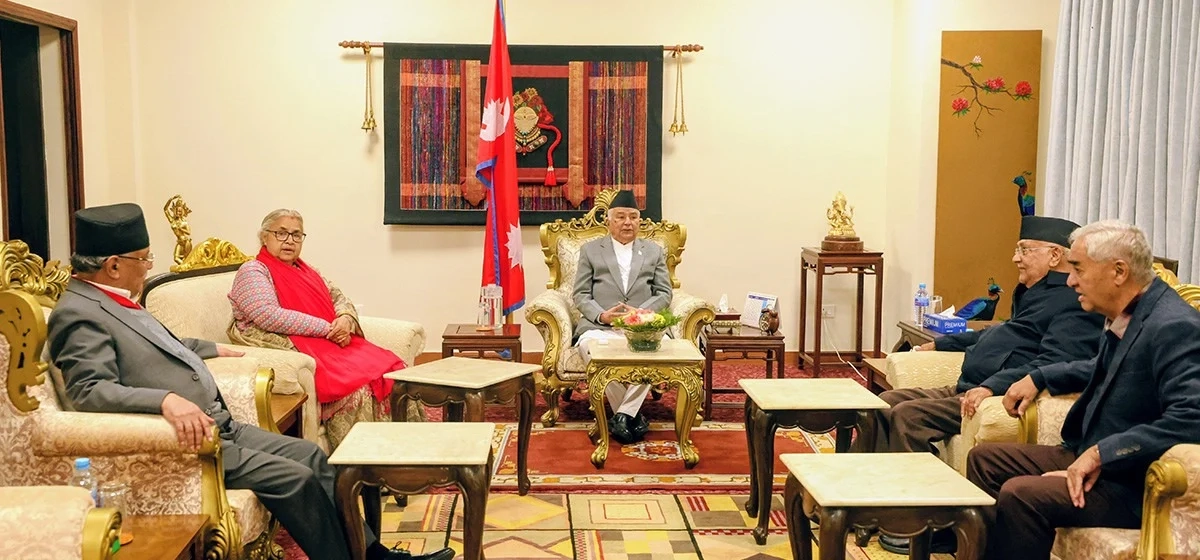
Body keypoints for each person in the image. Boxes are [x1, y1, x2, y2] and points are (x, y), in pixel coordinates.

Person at [47, 203, 452, 560]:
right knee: (296, 479)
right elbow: (89, 390)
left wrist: (210, 348)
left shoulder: (114, 299)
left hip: (220, 424)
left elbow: (159, 344)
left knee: (313, 457)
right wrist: (165, 400)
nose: (148, 267)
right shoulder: (80, 313)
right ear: (114, 265)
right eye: (145, 259)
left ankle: (374, 554)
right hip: (189, 443)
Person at [865, 216, 1105, 555]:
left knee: (908, 416)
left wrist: (992, 386)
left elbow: (1054, 362)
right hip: (969, 383)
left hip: (991, 392)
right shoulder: (1036, 292)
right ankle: (871, 504)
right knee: (883, 402)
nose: (1015, 258)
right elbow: (1002, 332)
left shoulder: (1072, 302)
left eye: (1025, 250)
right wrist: (941, 343)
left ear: (1054, 255)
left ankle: (921, 523)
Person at [968, 220, 1200, 559]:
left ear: (1118, 272)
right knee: (986, 460)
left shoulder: (1174, 326)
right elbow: (1105, 366)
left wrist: (1102, 454)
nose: (1070, 280)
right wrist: (1041, 376)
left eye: (1078, 269)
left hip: (1134, 483)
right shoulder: (1130, 310)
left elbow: (1192, 418)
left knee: (1020, 494)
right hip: (1093, 453)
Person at [228, 209, 414, 450]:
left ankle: (405, 450)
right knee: (356, 385)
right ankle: (363, 459)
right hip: (292, 342)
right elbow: (267, 315)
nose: (289, 241)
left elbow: (339, 298)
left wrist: (345, 320)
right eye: (281, 233)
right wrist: (328, 329)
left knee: (392, 369)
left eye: (296, 235)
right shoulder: (254, 271)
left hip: (325, 340)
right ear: (264, 237)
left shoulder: (307, 270)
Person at [573, 190, 673, 444]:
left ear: (640, 221)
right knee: (592, 353)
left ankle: (622, 416)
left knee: (657, 353)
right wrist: (601, 316)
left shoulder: (653, 251)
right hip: (600, 325)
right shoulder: (590, 250)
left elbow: (664, 292)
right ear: (608, 220)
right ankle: (631, 415)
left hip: (643, 327)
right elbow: (581, 294)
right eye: (620, 217)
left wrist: (640, 314)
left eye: (633, 217)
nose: (627, 222)